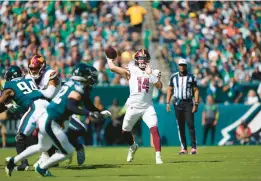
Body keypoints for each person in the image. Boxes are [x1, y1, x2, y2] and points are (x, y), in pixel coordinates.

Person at [5, 63, 111, 177]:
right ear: (83, 76)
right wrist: (89, 113)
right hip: (53, 120)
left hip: (48, 117)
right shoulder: (77, 87)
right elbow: (71, 106)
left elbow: (88, 104)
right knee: (68, 151)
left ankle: (12, 161)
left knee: (42, 146)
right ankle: (41, 167)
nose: (93, 78)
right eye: (90, 75)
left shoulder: (73, 84)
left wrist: (98, 112)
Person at [106, 49, 163, 164]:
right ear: (136, 60)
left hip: (147, 106)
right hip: (133, 106)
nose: (142, 61)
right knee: (125, 131)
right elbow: (112, 68)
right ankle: (132, 147)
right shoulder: (131, 70)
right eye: (140, 59)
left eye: (144, 59)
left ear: (148, 60)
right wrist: (109, 59)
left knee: (154, 128)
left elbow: (160, 86)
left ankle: (158, 157)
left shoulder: (154, 72)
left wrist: (150, 73)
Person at [0, 65, 49, 171]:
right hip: (47, 104)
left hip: (35, 107)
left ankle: (24, 164)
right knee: (49, 132)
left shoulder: (9, 85)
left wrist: (6, 105)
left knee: (20, 137)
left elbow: (1, 100)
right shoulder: (28, 79)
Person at [166, 58, 199, 155]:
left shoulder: (191, 77)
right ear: (178, 66)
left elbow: (196, 90)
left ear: (186, 66)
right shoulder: (173, 77)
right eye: (180, 65)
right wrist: (167, 102)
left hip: (188, 102)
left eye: (183, 65)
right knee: (180, 126)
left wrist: (196, 103)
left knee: (190, 124)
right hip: (177, 103)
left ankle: (193, 147)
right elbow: (170, 90)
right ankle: (183, 148)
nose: (182, 67)